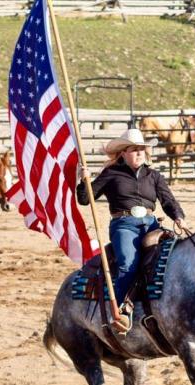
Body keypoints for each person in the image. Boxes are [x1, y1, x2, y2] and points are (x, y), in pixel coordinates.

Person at [77, 128, 187, 333]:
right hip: (124, 224)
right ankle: (119, 310)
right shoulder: (111, 174)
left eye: (141, 149)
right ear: (123, 153)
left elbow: (168, 200)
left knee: (174, 256)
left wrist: (178, 217)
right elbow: (85, 199)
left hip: (151, 224)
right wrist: (84, 180)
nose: (138, 153)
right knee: (128, 264)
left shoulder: (153, 176)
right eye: (133, 149)